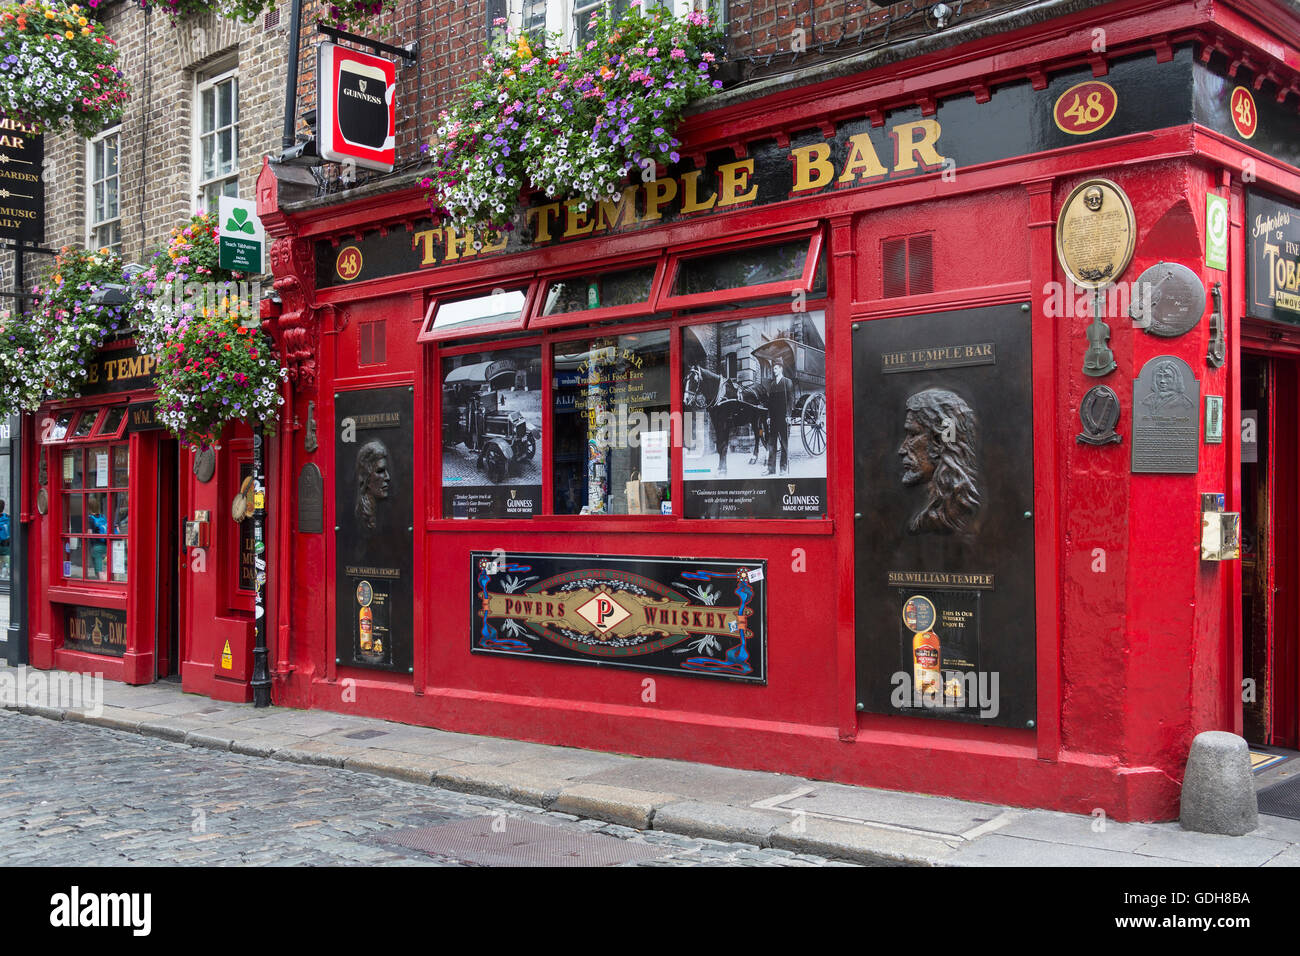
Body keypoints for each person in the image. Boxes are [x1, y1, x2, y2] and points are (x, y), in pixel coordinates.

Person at [897, 388, 981, 535]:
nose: (902, 449)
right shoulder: (943, 512)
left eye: (913, 434)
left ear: (938, 442)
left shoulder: (942, 519)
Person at [354, 440, 391, 535]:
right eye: (380, 471)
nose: (387, 477)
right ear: (366, 476)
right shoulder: (361, 513)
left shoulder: (386, 513)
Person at [764, 362, 794, 475]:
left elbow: (791, 400)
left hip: (783, 417)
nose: (774, 370)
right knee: (772, 443)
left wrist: (788, 415)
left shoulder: (787, 382)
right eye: (773, 369)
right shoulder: (772, 385)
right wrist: (768, 416)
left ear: (781, 369)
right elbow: (770, 403)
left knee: (784, 443)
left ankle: (783, 468)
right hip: (774, 418)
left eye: (776, 368)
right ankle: (771, 469)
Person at [86, 494, 108, 579]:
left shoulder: (90, 518)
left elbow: (90, 533)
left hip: (97, 547)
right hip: (106, 544)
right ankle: (103, 577)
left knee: (99, 570)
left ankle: (101, 579)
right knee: (100, 565)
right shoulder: (102, 516)